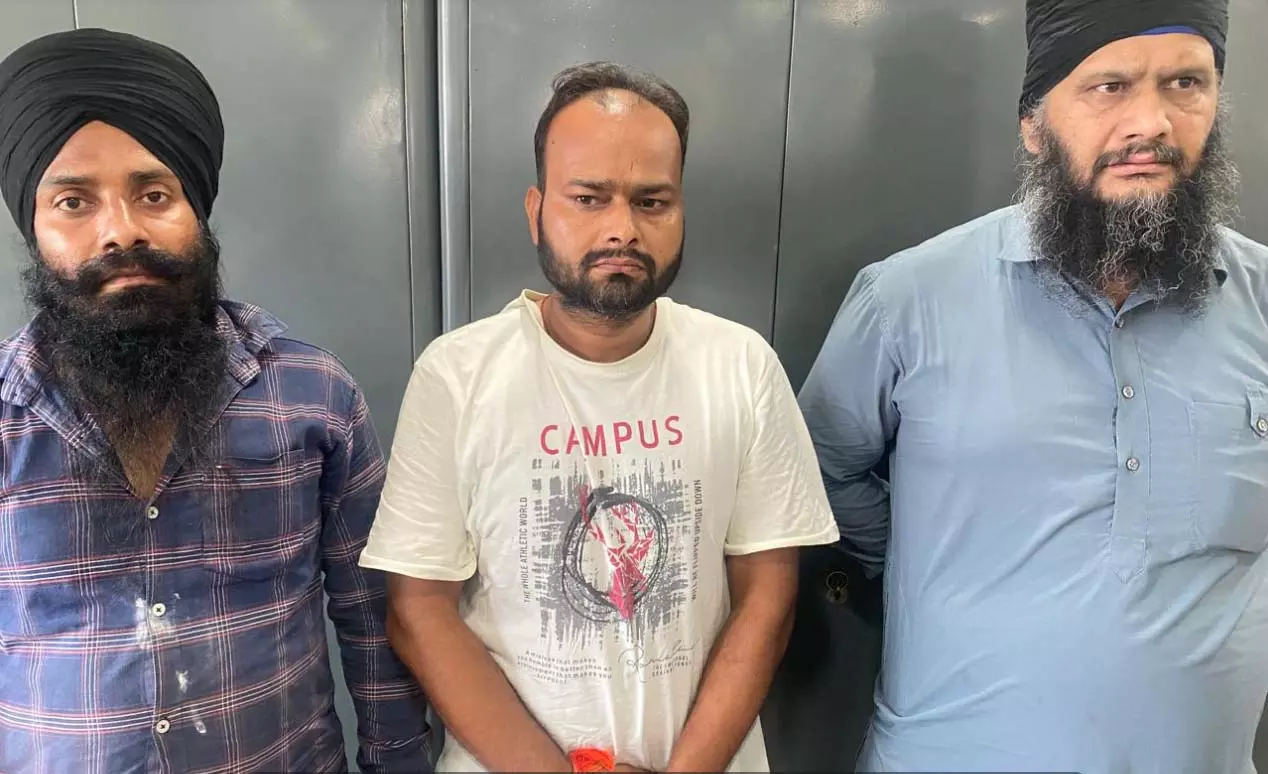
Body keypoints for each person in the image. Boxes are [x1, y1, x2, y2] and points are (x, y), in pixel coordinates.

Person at [799, 0, 1268, 771]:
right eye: (1109, 86)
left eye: (1185, 84)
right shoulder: (909, 299)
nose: (1150, 122)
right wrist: (914, 556)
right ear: (1034, 124)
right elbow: (817, 468)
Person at [359, 61, 839, 773]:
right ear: (536, 211)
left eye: (652, 202)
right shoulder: (457, 377)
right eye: (588, 198)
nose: (622, 229)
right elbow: (418, 611)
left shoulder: (741, 366)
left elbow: (768, 599)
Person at [0, 28, 430, 773]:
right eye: (74, 201)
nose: (120, 232)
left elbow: (373, 620)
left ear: (195, 209)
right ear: (33, 228)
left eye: (153, 194)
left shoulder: (314, 395)